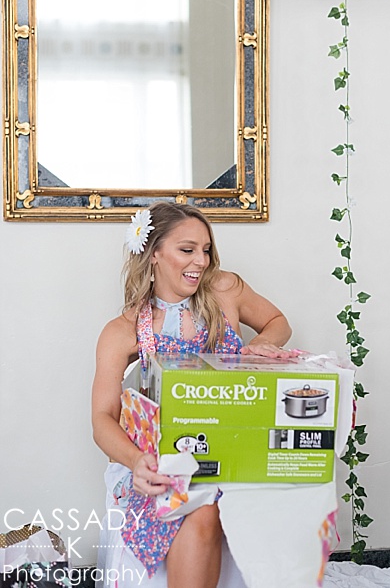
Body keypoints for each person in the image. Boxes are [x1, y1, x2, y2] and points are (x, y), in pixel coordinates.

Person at [91, 202, 293, 587]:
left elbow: (277, 321)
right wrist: (138, 462)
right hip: (159, 458)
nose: (201, 261)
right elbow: (102, 419)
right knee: (199, 507)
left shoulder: (225, 290)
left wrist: (258, 346)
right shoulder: (122, 331)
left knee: (212, 505)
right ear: (153, 254)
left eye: (206, 250)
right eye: (187, 249)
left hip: (232, 448)